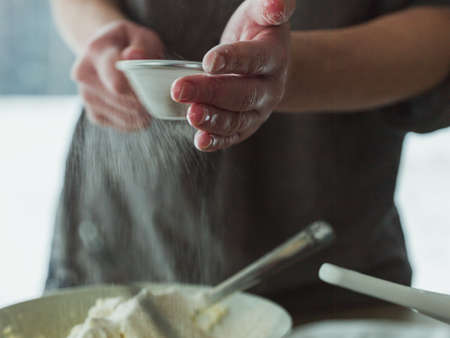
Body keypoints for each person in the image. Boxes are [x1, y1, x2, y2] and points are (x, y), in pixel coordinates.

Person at [47, 0, 450, 322]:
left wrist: (289, 71)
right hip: (114, 249)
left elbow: (438, 25)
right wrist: (102, 39)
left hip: (329, 277)